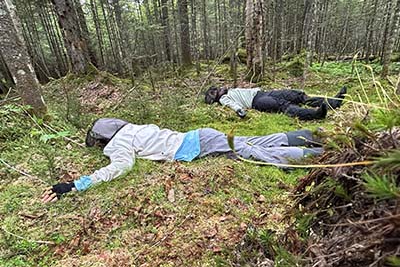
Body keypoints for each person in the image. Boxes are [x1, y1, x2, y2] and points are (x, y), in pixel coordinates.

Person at [42, 118, 323, 203]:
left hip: (196, 145)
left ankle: (316, 155)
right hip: (199, 134)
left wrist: (76, 185)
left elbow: (121, 166)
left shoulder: (120, 142)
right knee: (251, 142)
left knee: (252, 152)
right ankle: (300, 136)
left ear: (102, 140)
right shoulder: (131, 129)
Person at [205, 86, 347, 120]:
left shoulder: (231, 90)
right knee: (284, 105)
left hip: (264, 93)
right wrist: (239, 111)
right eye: (214, 91)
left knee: (297, 95)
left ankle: (334, 102)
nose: (218, 88)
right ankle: (316, 114)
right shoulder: (224, 99)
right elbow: (232, 105)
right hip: (258, 101)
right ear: (216, 97)